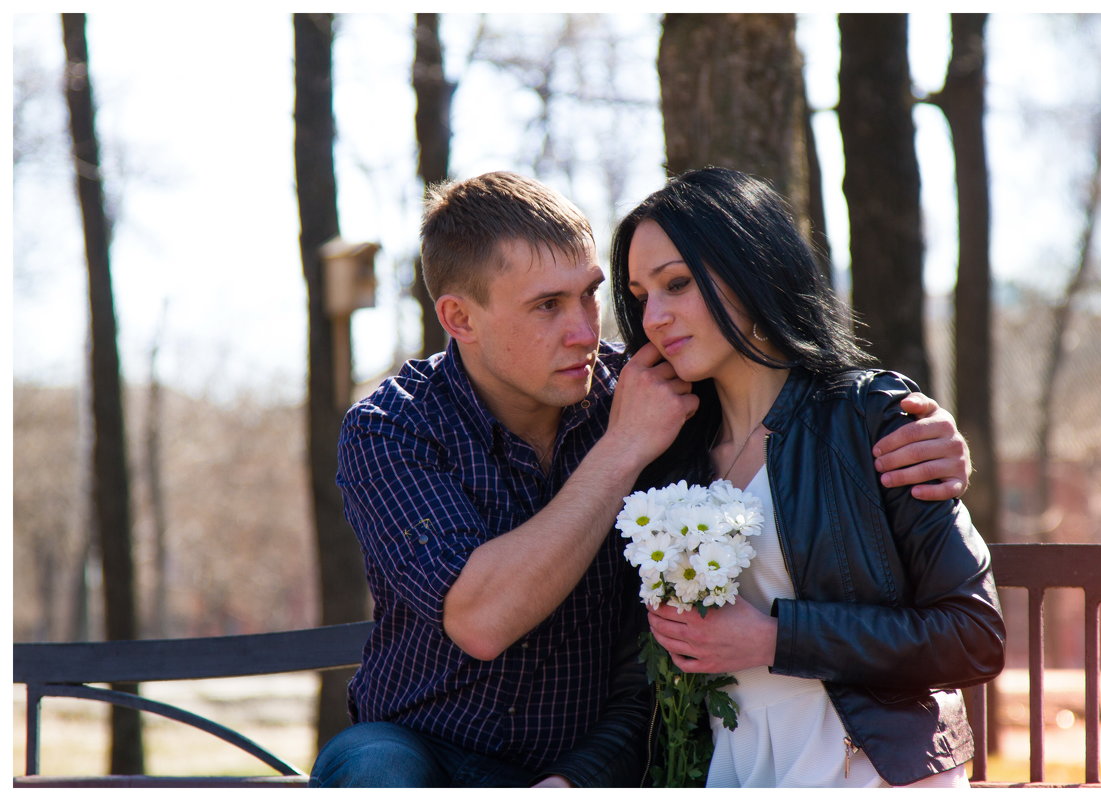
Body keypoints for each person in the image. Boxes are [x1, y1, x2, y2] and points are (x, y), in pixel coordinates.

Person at [309, 171, 974, 788]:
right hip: (420, 744)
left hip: (604, 749)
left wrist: (922, 429)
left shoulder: (657, 392)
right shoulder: (393, 427)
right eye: (546, 306)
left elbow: (791, 400)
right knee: (373, 772)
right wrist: (622, 446)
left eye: (591, 294)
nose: (584, 332)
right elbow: (480, 622)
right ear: (459, 318)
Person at [609, 167, 1005, 788]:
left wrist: (776, 640)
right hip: (731, 771)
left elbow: (973, 635)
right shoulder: (669, 455)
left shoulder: (869, 419)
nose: (654, 316)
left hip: (872, 770)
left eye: (677, 284)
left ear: (753, 268)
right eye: (640, 296)